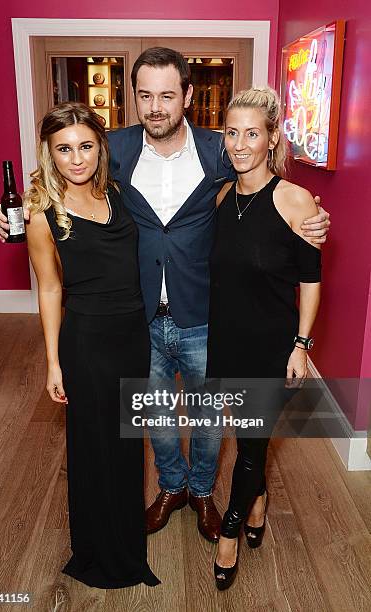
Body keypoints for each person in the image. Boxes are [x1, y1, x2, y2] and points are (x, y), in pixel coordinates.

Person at [0, 48, 330, 544]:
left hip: (204, 311)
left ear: (188, 97)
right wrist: (11, 224)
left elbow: (264, 189)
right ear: (134, 98)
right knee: (153, 413)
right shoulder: (113, 149)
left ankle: (200, 491)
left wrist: (312, 215)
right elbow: (67, 195)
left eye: (167, 95)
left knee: (208, 414)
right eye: (145, 95)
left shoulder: (221, 149)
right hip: (138, 316)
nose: (156, 106)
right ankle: (171, 487)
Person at [22, 102, 159, 589]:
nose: (76, 158)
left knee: (126, 443)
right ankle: (99, 551)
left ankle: (127, 540)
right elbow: (50, 288)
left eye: (85, 146)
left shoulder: (116, 194)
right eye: (63, 149)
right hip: (87, 340)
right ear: (50, 153)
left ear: (100, 148)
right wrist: (53, 362)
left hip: (132, 336)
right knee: (92, 446)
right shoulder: (42, 213)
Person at [207, 87, 321, 590]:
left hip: (270, 345)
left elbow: (312, 282)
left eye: (252, 133)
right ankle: (257, 500)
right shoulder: (222, 197)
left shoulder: (296, 200)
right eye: (232, 132)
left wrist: (302, 346)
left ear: (271, 137)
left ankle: (230, 531)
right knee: (246, 437)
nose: (240, 144)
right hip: (226, 340)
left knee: (251, 446)